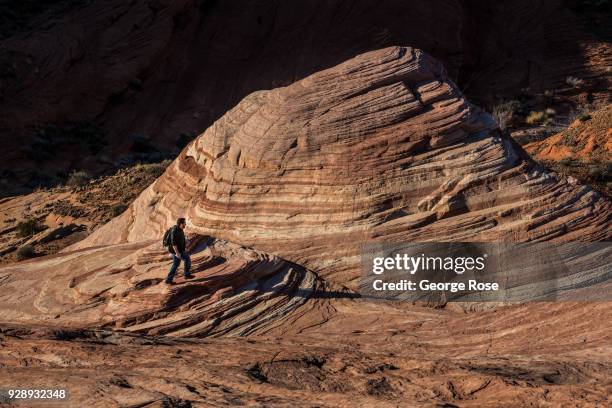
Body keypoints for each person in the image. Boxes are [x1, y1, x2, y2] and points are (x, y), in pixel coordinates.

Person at [165, 217, 194, 284]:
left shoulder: (180, 229)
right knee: (184, 261)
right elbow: (173, 243)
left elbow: (181, 240)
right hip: (176, 251)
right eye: (184, 223)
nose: (185, 224)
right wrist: (177, 253)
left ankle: (169, 279)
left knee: (177, 264)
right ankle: (185, 275)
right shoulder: (174, 230)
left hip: (180, 250)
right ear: (181, 224)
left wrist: (185, 245)